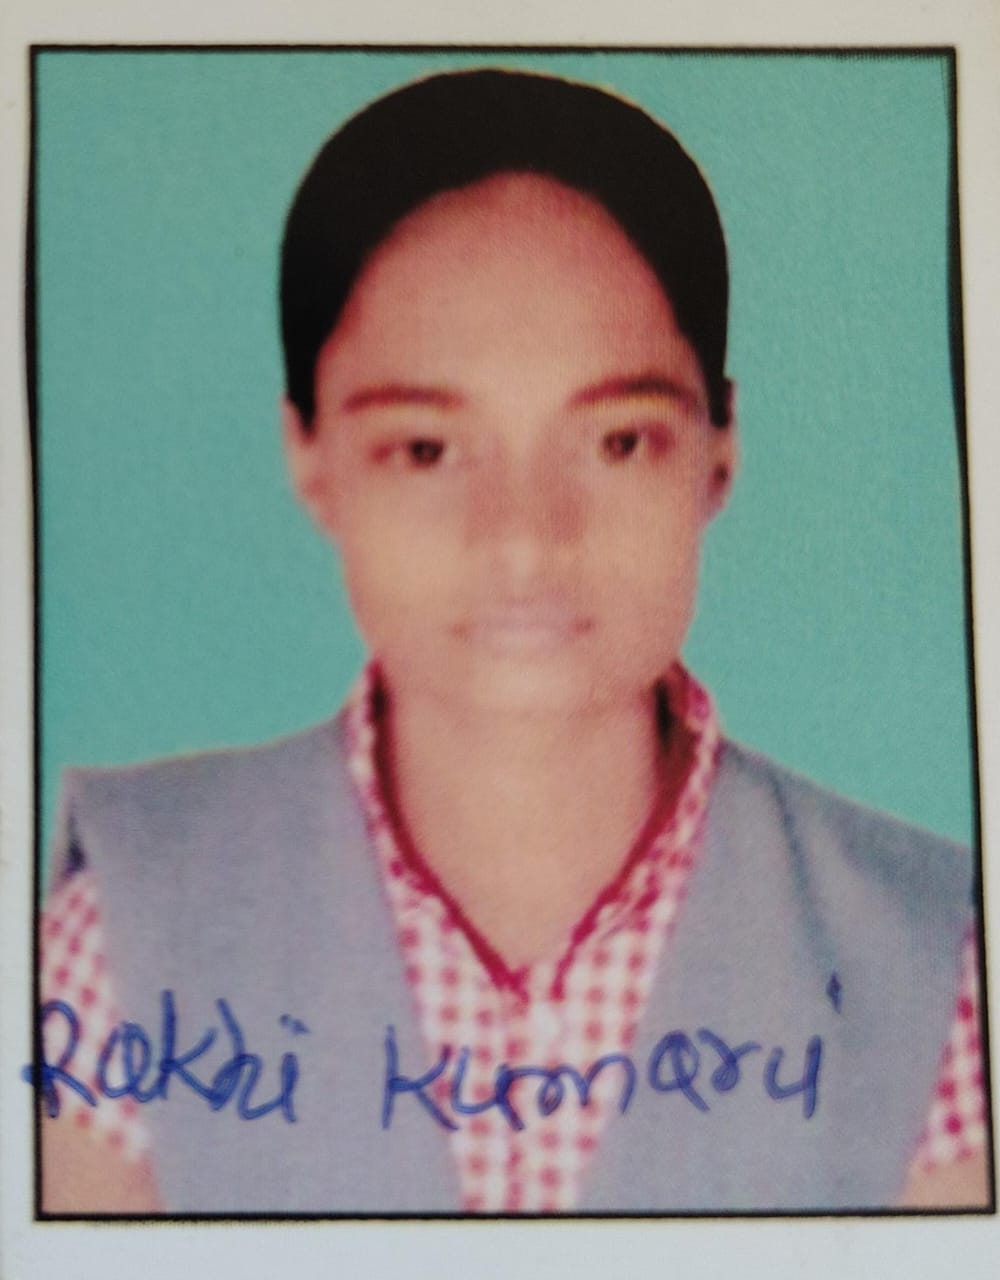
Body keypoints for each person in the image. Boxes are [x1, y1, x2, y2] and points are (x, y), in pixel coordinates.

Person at [36, 68, 986, 1214]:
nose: (526, 540)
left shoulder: (943, 965)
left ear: (719, 446)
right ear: (309, 454)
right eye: (427, 450)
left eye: (618, 441)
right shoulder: (119, 938)